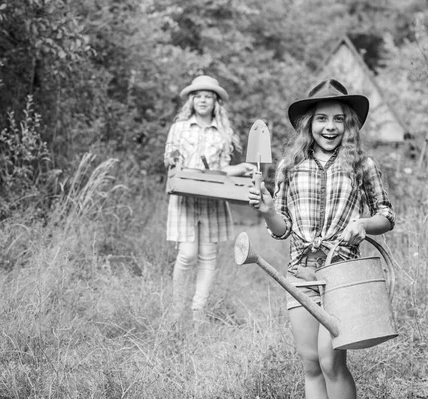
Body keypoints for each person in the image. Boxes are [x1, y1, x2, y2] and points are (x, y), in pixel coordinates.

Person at [248, 79, 395, 399]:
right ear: (309, 123)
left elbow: (387, 215)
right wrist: (267, 210)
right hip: (300, 273)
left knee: (331, 361)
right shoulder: (290, 166)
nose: (330, 127)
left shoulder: (362, 164)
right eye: (322, 119)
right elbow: (281, 229)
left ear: (349, 124)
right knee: (311, 363)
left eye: (338, 119)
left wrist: (364, 224)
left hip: (341, 275)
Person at [164, 75, 255, 322]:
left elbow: (223, 168)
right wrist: (173, 159)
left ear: (215, 102)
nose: (203, 100)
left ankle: (198, 311)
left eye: (208, 97)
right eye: (199, 96)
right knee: (187, 255)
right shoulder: (179, 128)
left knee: (207, 255)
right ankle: (176, 309)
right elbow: (169, 160)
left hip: (213, 198)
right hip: (185, 197)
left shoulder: (223, 133)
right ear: (192, 101)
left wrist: (241, 168)